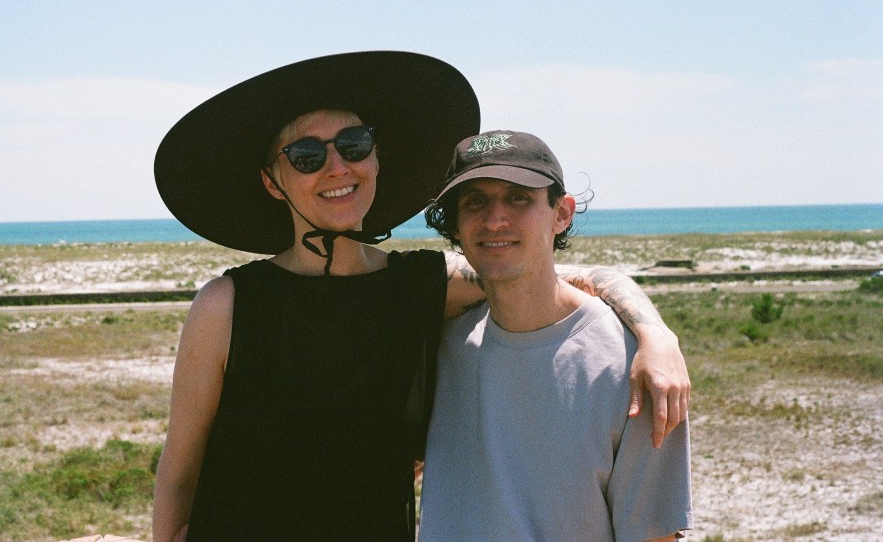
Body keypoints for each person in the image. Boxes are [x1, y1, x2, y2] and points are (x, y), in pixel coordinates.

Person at [150, 52, 690, 542]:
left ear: (377, 157)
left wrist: (652, 333)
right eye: (307, 155)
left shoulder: (424, 287)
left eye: (354, 145)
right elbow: (180, 471)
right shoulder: (228, 305)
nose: (337, 167)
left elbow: (551, 273)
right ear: (273, 181)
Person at [419, 130, 694, 541]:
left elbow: (653, 535)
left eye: (519, 198)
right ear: (454, 224)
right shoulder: (439, 344)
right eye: (475, 201)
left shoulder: (636, 366)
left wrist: (654, 334)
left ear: (562, 213)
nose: (495, 219)